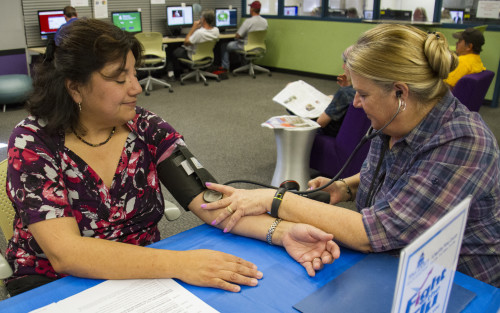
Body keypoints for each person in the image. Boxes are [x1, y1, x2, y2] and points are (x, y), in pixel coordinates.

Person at [4, 18, 340, 296]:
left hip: (142, 279)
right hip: (56, 287)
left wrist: (282, 233)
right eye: (121, 78)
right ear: (74, 87)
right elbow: (66, 254)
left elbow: (210, 201)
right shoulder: (33, 142)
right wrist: (181, 263)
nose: (136, 87)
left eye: (134, 74)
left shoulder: (145, 126)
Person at [202, 24, 500, 287]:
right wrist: (344, 187)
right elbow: (409, 175)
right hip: (396, 262)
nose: (356, 103)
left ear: (400, 93)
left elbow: (375, 231)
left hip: (458, 284)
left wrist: (274, 199)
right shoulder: (398, 120)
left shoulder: (463, 143)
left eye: (363, 93)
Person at [168, 10, 220, 80]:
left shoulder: (199, 33)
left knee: (174, 50)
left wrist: (193, 28)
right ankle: (184, 70)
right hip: (208, 57)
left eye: (201, 17)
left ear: (203, 19)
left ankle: (172, 73)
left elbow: (186, 42)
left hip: (194, 57)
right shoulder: (216, 30)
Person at [316, 45, 355, 137]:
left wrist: (344, 90)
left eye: (345, 63)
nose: (343, 67)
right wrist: (347, 86)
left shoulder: (345, 93)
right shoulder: (370, 91)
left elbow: (320, 123)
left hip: (331, 134)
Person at [220, 1, 268, 71]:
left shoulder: (248, 21)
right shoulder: (264, 21)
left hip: (246, 46)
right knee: (241, 42)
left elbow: (238, 36)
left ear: (252, 9)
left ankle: (225, 68)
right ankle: (244, 65)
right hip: (259, 47)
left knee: (224, 46)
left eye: (250, 7)